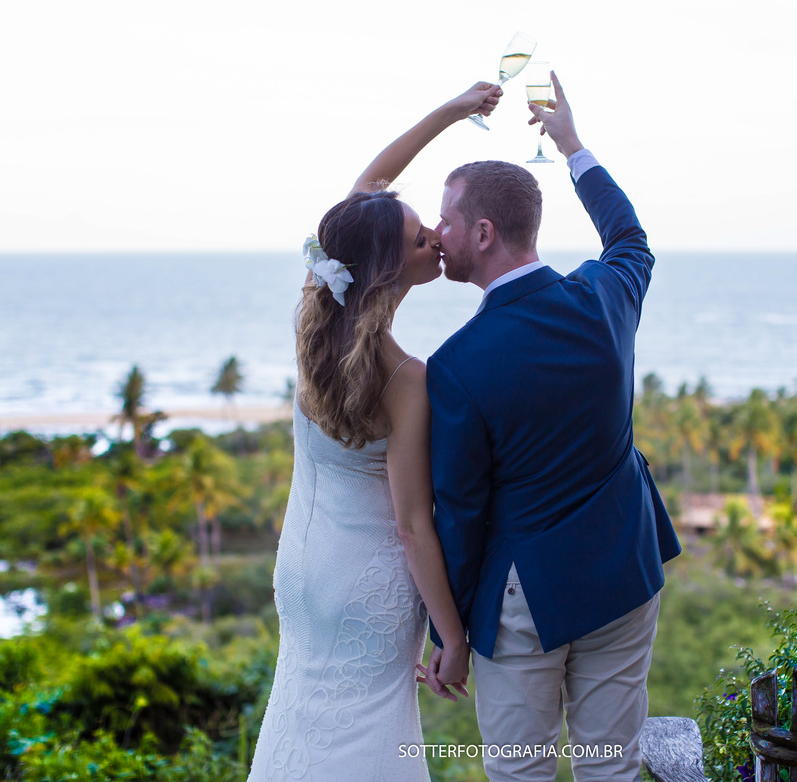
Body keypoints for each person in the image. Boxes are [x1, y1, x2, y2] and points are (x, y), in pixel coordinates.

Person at [423, 73, 682, 782]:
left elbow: (461, 515)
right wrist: (572, 145)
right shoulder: (604, 297)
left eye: (445, 219)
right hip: (624, 570)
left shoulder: (455, 365)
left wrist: (451, 631)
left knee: (520, 772)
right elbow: (629, 238)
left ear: (483, 231)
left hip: (524, 598)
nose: (435, 233)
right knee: (613, 766)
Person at [246, 80, 501, 782]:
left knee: (302, 718)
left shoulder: (316, 308)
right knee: (369, 734)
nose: (436, 240)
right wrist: (454, 639)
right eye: (424, 238)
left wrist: (454, 111)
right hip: (368, 589)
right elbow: (412, 526)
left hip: (301, 571)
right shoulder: (403, 378)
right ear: (392, 270)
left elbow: (369, 192)